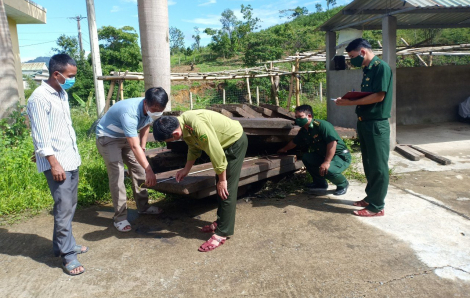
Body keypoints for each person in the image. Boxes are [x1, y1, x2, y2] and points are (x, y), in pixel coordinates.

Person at [152, 110, 248, 252]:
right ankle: (221, 222)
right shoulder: (183, 124)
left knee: (227, 188)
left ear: (175, 134)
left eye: (169, 141)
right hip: (223, 145)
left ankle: (222, 233)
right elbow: (194, 147)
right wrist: (186, 169)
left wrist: (222, 180)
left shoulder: (196, 125)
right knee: (220, 186)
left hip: (234, 142)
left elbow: (216, 153)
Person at [27, 54, 87, 275]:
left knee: (69, 206)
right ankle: (68, 256)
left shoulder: (62, 93)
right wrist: (53, 163)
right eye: (70, 76)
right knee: (63, 209)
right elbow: (41, 135)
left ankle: (63, 245)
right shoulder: (39, 98)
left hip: (70, 158)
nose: (72, 80)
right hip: (58, 163)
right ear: (56, 74)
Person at [96, 87, 168, 232]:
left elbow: (146, 125)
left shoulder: (151, 109)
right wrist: (149, 169)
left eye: (160, 109)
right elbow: (133, 146)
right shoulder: (130, 113)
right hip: (108, 137)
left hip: (126, 137)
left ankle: (143, 207)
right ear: (145, 103)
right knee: (118, 174)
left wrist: (143, 147)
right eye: (153, 108)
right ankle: (120, 218)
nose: (156, 112)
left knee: (139, 170)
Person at [335, 38, 393, 217]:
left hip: (376, 124)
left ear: (362, 52)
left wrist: (349, 102)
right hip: (365, 122)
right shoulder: (367, 69)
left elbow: (378, 97)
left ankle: (377, 207)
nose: (351, 60)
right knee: (369, 163)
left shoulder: (381, 67)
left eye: (352, 56)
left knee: (378, 166)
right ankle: (371, 197)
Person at [278, 105, 351, 196]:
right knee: (307, 157)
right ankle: (320, 183)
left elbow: (332, 143)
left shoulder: (322, 125)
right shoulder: (304, 130)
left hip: (339, 155)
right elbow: (294, 142)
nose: (297, 120)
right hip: (322, 155)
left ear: (309, 116)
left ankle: (343, 184)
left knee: (329, 170)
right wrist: (283, 149)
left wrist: (327, 162)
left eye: (300, 117)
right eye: (296, 117)